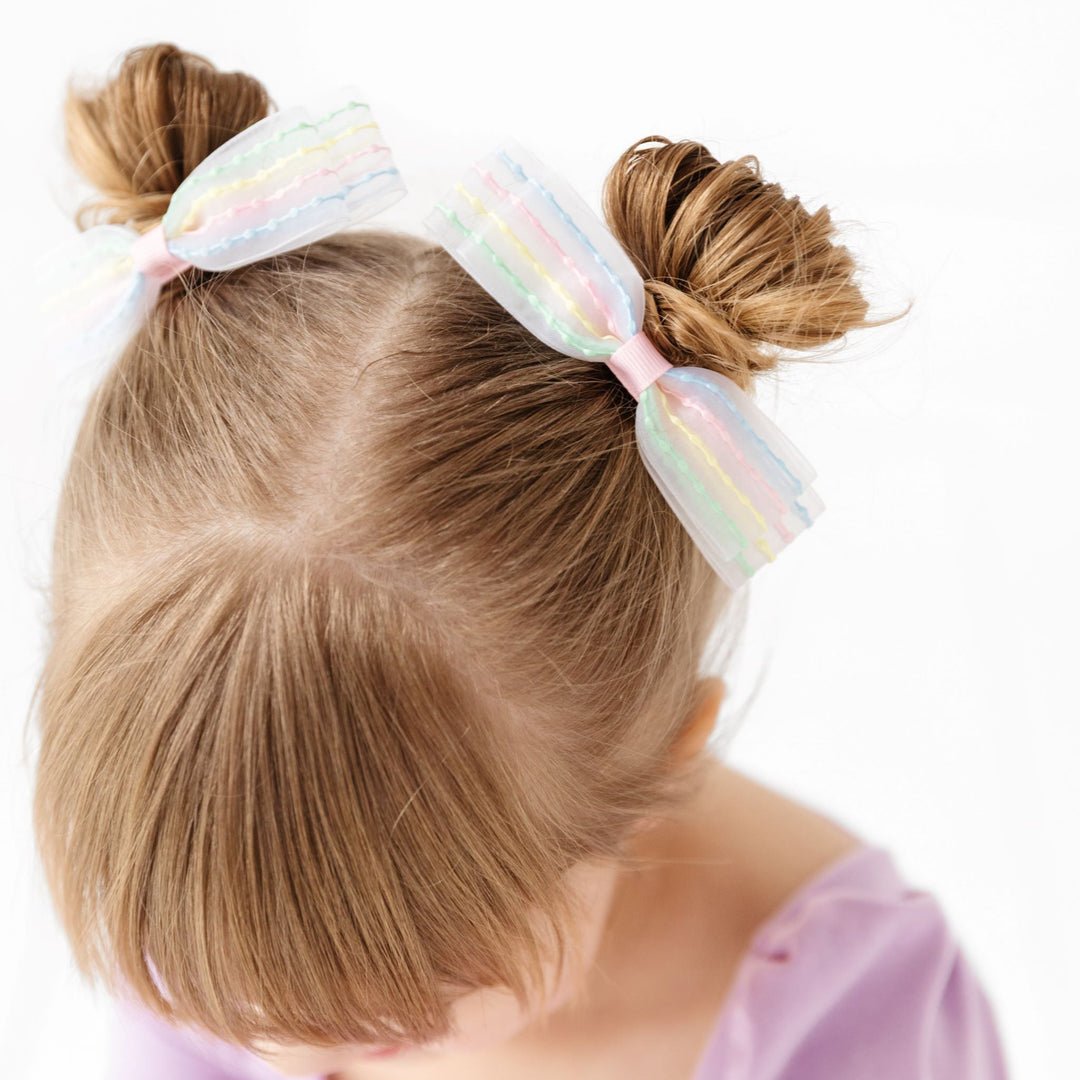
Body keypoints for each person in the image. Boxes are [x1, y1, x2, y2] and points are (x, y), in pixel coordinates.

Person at [30, 41, 1010, 1080]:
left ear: (673, 752)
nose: (282, 1049)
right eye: (224, 1000)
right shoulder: (216, 918)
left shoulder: (859, 1032)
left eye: (399, 1015)